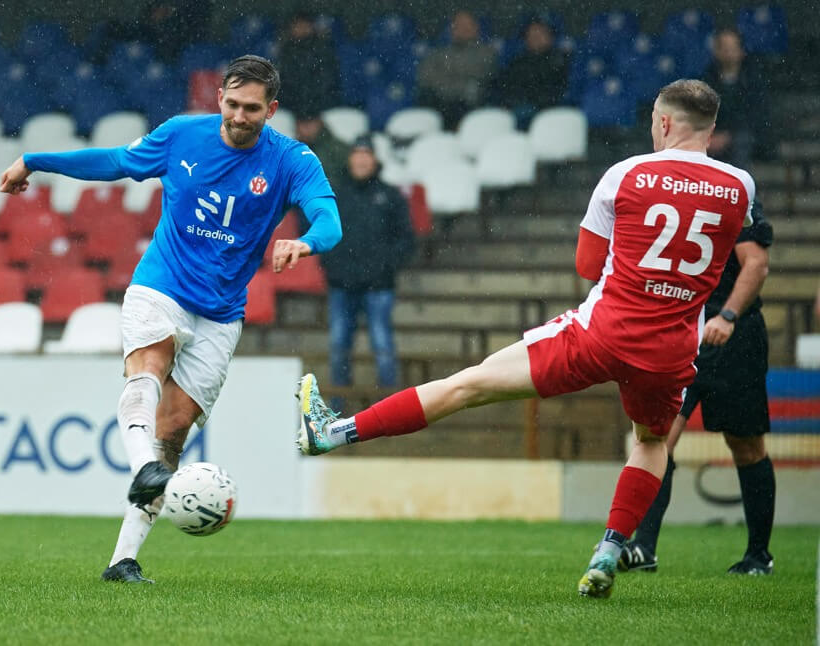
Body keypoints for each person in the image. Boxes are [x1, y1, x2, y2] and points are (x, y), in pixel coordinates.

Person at [296, 79, 756, 599]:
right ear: (711, 127)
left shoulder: (626, 174)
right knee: (650, 443)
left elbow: (588, 265)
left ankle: (335, 432)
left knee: (467, 385)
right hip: (670, 349)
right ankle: (609, 550)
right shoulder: (740, 187)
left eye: (654, 119)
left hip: (601, 334)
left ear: (665, 122)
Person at [0, 55, 341, 584]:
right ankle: (145, 469)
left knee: (174, 429)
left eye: (252, 109)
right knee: (148, 368)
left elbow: (328, 218)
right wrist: (35, 160)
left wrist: (306, 242)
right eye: (232, 104)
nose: (239, 116)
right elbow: (116, 162)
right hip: (162, 284)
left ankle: (122, 561)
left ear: (271, 110)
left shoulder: (292, 159)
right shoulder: (183, 134)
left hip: (222, 310)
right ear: (219, 99)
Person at [620, 199, 774, 575]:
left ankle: (758, 556)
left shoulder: (734, 194)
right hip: (681, 335)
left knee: (746, 446)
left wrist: (727, 315)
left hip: (734, 338)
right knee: (658, 438)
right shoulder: (671, 193)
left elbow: (756, 263)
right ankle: (644, 548)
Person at [321, 135, 415, 389]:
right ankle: (338, 407)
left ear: (375, 159)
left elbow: (406, 239)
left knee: (382, 346)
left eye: (366, 155)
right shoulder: (336, 195)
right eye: (357, 154)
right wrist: (333, 266)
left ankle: (390, 406)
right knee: (339, 347)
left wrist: (384, 267)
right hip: (342, 284)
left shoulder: (390, 195)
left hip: (379, 285)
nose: (361, 160)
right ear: (350, 159)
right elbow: (319, 230)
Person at [416, 10, 496, 130]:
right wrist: (456, 84)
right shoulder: (439, 53)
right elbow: (425, 76)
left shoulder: (487, 53)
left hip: (469, 106)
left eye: (467, 25)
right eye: (459, 25)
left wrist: (447, 81)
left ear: (476, 27)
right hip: (441, 105)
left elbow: (478, 76)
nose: (463, 29)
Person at [703, 28, 769, 168]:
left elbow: (755, 115)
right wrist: (710, 135)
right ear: (716, 51)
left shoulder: (753, 81)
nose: (728, 52)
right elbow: (701, 113)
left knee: (742, 141)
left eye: (732, 47)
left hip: (744, 137)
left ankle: (738, 180)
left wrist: (728, 136)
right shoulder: (706, 80)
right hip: (712, 136)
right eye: (724, 47)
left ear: (741, 51)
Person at [493, 18, 568, 129]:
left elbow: (558, 89)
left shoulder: (559, 61)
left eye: (540, 33)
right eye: (532, 34)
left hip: (543, 110)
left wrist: (535, 102)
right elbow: (505, 85)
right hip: (516, 107)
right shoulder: (518, 61)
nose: (535, 37)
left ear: (550, 37)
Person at [276, 12, 341, 118]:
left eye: (304, 25)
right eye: (297, 26)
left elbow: (326, 81)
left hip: (320, 106)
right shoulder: (286, 50)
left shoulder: (322, 49)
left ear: (311, 26)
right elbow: (284, 81)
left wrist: (313, 111)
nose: (301, 29)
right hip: (291, 107)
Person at [294, 113, 350, 185]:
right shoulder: (292, 150)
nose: (306, 128)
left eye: (310, 123)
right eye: (302, 124)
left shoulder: (337, 148)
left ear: (319, 123)